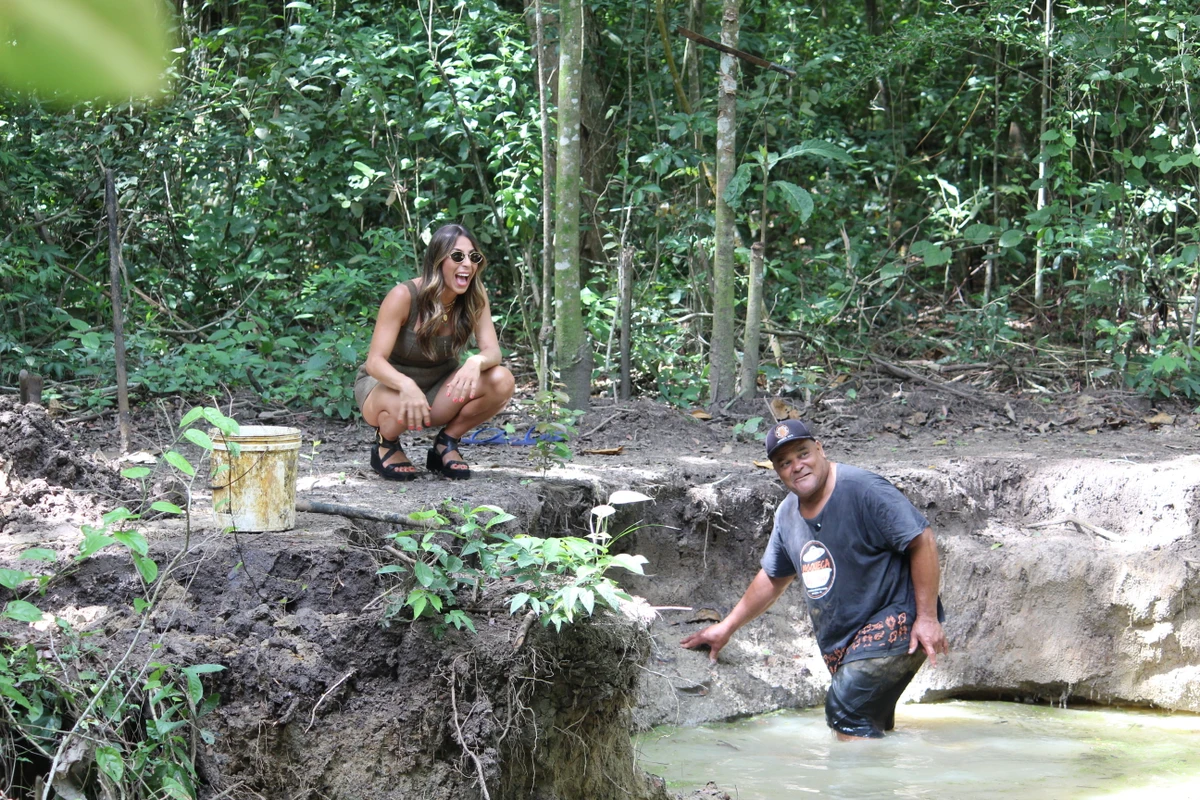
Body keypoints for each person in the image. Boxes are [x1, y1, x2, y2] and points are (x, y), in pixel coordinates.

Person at [681, 419, 948, 740]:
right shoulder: (787, 514)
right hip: (845, 644)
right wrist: (726, 628)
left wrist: (928, 617)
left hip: (896, 620)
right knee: (868, 727)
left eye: (803, 454)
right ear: (778, 471)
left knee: (845, 713)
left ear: (820, 449)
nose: (797, 466)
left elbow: (922, 540)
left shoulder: (863, 489)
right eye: (785, 462)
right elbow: (773, 578)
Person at [354, 222, 515, 480]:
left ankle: (446, 443)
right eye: (457, 256)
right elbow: (375, 362)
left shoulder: (475, 295)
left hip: (438, 388)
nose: (467, 264)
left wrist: (475, 362)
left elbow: (493, 352)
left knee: (501, 379)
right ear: (438, 260)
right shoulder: (403, 296)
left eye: (473, 257)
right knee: (399, 406)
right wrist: (405, 385)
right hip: (387, 386)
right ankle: (387, 443)